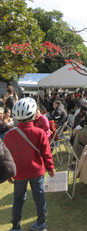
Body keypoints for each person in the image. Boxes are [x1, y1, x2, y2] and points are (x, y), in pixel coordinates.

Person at [4, 97, 55, 231]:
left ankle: (15, 227)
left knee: (18, 200)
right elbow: (46, 154)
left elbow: (6, 158)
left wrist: (8, 173)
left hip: (19, 172)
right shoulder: (40, 133)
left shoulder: (9, 135)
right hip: (37, 171)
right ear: (33, 115)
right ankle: (41, 224)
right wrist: (50, 168)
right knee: (39, 197)